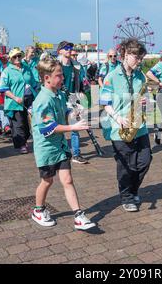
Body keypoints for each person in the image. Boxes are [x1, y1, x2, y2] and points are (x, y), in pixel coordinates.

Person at [31, 58, 96, 230]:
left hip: (60, 147)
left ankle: (78, 215)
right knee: (47, 181)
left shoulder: (59, 93)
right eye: (58, 76)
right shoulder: (42, 100)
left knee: (67, 180)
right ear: (47, 78)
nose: (62, 79)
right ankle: (38, 210)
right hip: (46, 149)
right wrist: (72, 127)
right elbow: (48, 128)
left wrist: (73, 111)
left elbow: (63, 110)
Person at [100, 38, 152, 212]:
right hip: (119, 127)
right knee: (127, 165)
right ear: (126, 54)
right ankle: (126, 196)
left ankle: (133, 189)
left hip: (139, 126)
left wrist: (147, 101)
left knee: (145, 161)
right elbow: (105, 102)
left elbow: (147, 99)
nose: (139, 62)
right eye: (137, 58)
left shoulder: (140, 76)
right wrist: (118, 118)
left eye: (141, 58)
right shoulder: (112, 76)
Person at [0, 48, 38, 154]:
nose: (17, 58)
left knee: (27, 124)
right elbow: (3, 88)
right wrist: (15, 97)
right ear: (11, 59)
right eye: (14, 57)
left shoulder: (27, 68)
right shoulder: (7, 71)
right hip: (15, 101)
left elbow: (34, 83)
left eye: (19, 56)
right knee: (18, 124)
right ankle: (22, 144)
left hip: (29, 99)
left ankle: (25, 140)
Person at [57, 41, 89, 164]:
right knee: (61, 126)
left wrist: (81, 93)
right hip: (59, 98)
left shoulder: (76, 65)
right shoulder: (56, 65)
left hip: (73, 98)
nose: (69, 49)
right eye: (66, 48)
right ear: (60, 51)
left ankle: (76, 154)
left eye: (70, 47)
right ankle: (62, 151)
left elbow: (80, 83)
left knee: (76, 126)